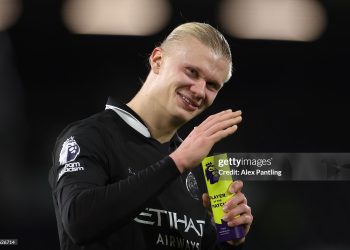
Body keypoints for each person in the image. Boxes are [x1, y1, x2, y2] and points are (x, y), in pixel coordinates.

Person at [48, 22, 253, 250]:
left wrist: (230, 241)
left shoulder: (202, 168)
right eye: (191, 72)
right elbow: (78, 222)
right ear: (157, 60)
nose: (199, 91)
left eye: (212, 85)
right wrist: (176, 162)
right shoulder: (89, 136)